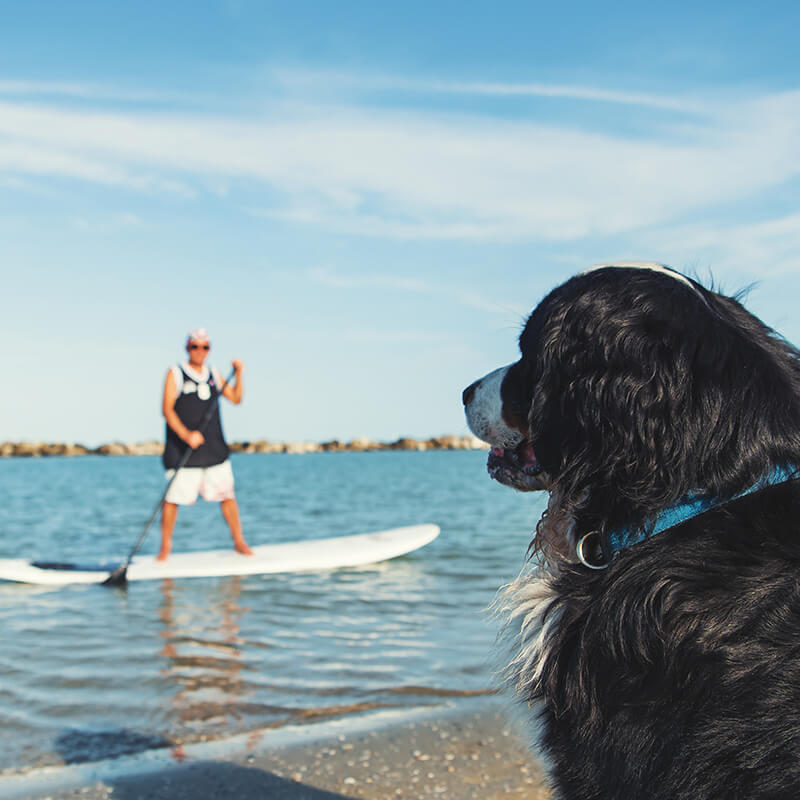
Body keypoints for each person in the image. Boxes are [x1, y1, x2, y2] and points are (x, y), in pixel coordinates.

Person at [158, 328, 253, 561]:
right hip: (183, 450)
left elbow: (236, 399)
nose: (200, 352)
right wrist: (185, 434)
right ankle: (165, 548)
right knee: (172, 500)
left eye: (205, 347)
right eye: (195, 347)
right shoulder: (176, 372)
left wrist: (239, 373)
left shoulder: (214, 373)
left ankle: (239, 542)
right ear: (187, 348)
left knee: (227, 496)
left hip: (213, 449)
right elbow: (167, 409)